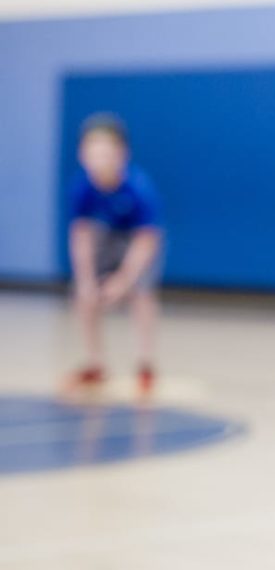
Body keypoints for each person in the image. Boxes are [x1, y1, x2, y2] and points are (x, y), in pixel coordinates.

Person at [68, 113, 164, 395]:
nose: (99, 159)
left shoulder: (139, 188)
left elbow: (147, 241)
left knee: (142, 294)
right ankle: (95, 364)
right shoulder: (82, 187)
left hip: (136, 243)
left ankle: (145, 364)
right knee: (84, 296)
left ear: (122, 153)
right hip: (103, 237)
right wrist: (85, 280)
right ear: (82, 155)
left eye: (106, 152)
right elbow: (81, 235)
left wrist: (123, 281)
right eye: (92, 152)